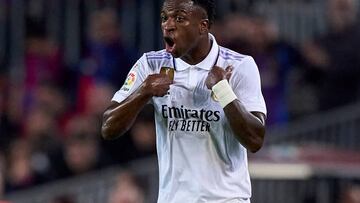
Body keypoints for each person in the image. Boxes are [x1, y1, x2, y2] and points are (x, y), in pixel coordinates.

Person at [101, 0, 266, 202]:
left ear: (202, 26)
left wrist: (223, 90)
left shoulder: (238, 65)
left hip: (227, 198)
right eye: (164, 18)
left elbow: (255, 139)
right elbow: (108, 127)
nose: (168, 25)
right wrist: (144, 92)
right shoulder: (150, 64)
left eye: (180, 18)